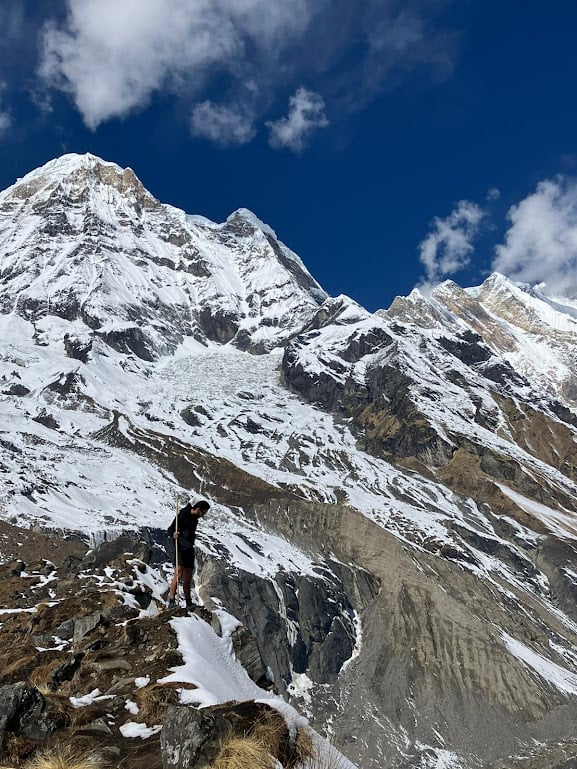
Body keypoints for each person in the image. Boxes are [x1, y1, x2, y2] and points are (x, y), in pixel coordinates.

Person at [166, 499, 210, 608]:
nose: (202, 515)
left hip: (188, 548)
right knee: (179, 572)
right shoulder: (182, 515)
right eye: (202, 513)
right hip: (178, 546)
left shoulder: (195, 520)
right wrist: (173, 534)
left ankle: (188, 602)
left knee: (188, 575)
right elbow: (170, 529)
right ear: (198, 509)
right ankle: (171, 600)